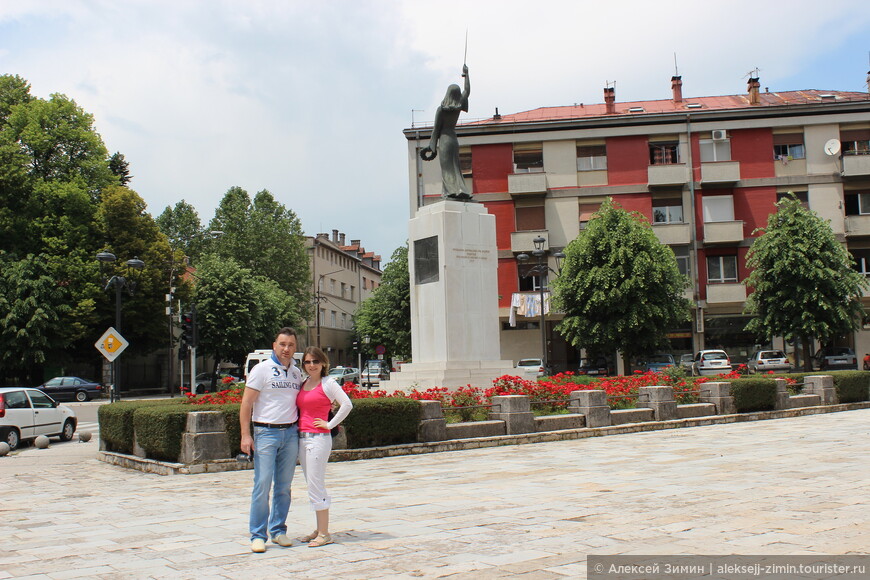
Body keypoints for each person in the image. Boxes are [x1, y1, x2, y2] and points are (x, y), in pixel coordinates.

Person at [239, 327, 303, 553]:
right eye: (282, 344)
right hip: (266, 433)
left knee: (284, 487)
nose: (286, 349)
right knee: (262, 484)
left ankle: (278, 531)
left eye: (291, 345)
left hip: (290, 433)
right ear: (274, 346)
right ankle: (258, 534)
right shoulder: (261, 370)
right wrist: (246, 435)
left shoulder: (296, 372)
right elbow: (246, 404)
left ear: (295, 348)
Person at [295, 346, 353, 547]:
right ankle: (319, 528)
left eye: (315, 361)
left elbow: (347, 404)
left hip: (318, 439)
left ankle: (325, 533)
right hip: (302, 439)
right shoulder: (304, 383)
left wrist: (329, 424)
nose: (311, 365)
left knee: (316, 484)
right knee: (311, 484)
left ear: (323, 363)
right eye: (308, 362)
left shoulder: (328, 383)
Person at [420, 65, 472, 201]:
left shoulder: (442, 110)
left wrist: (432, 146)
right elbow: (467, 90)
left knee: (447, 168)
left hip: (444, 139)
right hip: (453, 139)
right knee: (455, 166)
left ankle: (451, 192)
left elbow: (436, 129)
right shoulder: (459, 106)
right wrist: (467, 75)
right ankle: (460, 189)